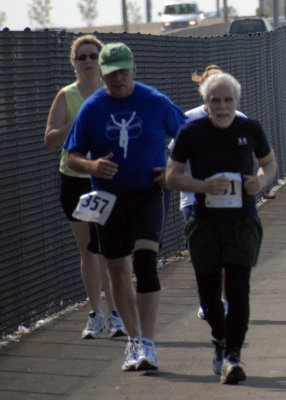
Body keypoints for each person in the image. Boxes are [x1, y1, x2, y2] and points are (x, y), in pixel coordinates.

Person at [63, 42, 186, 371]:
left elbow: (188, 136)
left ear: (134, 69)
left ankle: (148, 341)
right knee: (117, 270)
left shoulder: (154, 101)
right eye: (110, 72)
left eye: (122, 71)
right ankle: (134, 341)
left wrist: (172, 169)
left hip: (148, 192)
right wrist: (91, 167)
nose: (117, 78)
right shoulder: (93, 107)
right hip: (109, 199)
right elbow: (72, 154)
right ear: (101, 73)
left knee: (145, 261)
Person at [166, 72, 277, 384]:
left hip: (242, 221)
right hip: (204, 224)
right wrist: (202, 185)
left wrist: (261, 181)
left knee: (239, 289)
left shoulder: (250, 128)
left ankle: (233, 356)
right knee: (209, 293)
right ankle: (220, 338)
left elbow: (269, 163)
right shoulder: (191, 132)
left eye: (228, 100)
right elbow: (172, 176)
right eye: (216, 100)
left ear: (236, 102)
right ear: (206, 103)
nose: (222, 106)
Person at [44, 34, 126, 340]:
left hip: (108, 179)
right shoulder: (67, 96)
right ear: (74, 63)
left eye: (94, 56)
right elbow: (50, 138)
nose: (89, 62)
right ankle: (95, 314)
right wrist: (75, 124)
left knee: (111, 249)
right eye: (83, 57)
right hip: (75, 180)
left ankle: (118, 313)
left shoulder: (113, 93)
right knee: (89, 251)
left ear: (102, 61)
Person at [168, 65, 246, 320]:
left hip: (230, 199)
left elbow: (255, 157)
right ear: (203, 91)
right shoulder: (188, 120)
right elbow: (175, 156)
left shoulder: (241, 120)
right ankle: (208, 299)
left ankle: (222, 299)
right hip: (193, 198)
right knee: (203, 253)